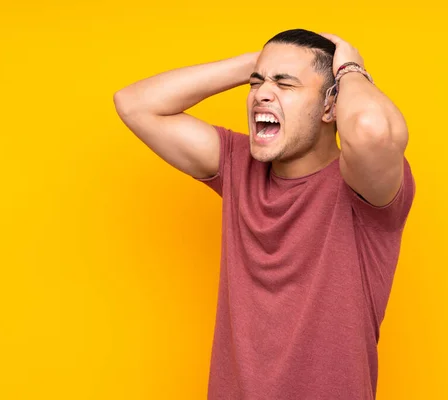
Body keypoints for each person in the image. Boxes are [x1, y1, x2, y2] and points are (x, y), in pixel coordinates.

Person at [114, 28, 415, 400]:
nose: (262, 95)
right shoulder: (236, 164)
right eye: (257, 84)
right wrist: (257, 66)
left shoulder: (362, 188)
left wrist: (350, 66)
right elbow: (134, 103)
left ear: (329, 106)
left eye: (286, 85)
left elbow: (372, 130)